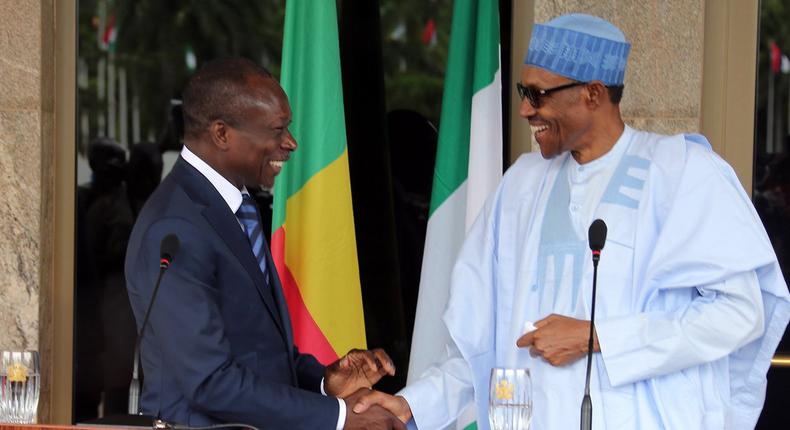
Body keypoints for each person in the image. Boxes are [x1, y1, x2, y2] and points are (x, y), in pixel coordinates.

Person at [352, 13, 790, 429]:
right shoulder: (520, 185)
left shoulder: (681, 172)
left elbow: (740, 313)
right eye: (525, 93)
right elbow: (478, 339)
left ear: (593, 93)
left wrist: (598, 337)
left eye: (538, 94)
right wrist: (411, 403)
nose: (525, 110)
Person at [125, 58, 405, 430]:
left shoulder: (237, 205)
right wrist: (340, 418)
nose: (290, 143)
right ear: (221, 134)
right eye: (277, 130)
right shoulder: (174, 227)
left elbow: (257, 351)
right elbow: (210, 381)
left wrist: (324, 381)